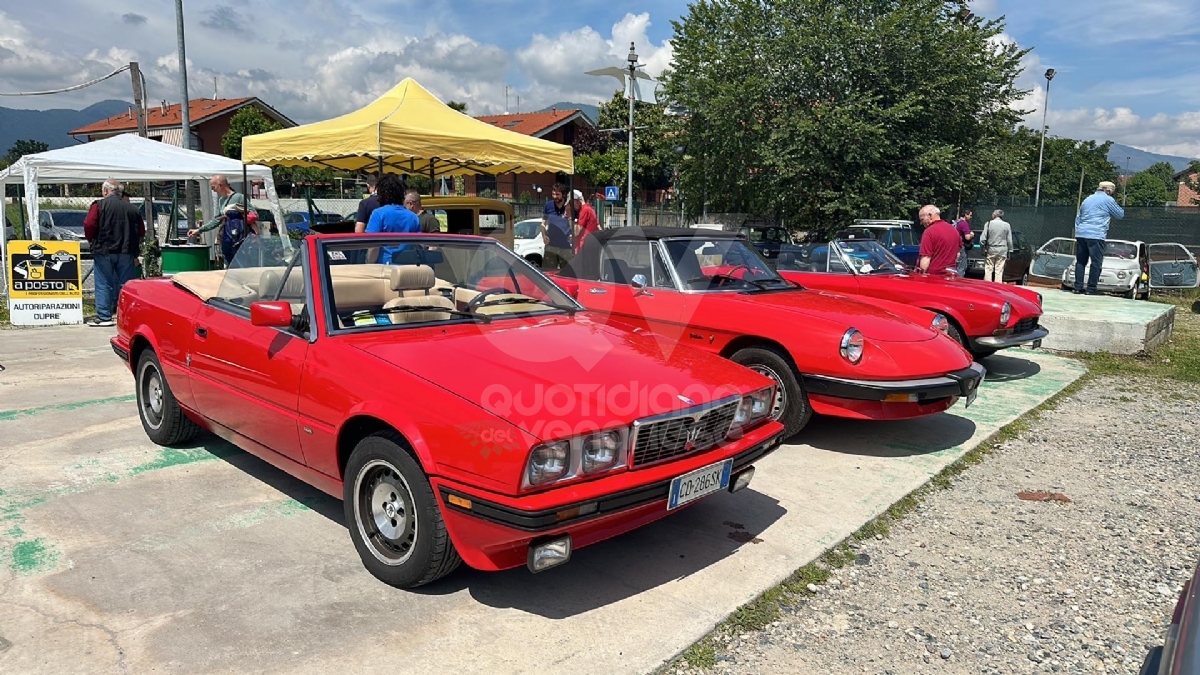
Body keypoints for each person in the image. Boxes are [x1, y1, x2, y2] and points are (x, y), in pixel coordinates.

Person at [84, 179, 144, 327]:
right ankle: (127, 316)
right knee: (127, 285)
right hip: (126, 251)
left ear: (105, 191)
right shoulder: (132, 209)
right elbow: (141, 230)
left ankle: (104, 317)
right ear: (120, 192)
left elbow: (89, 224)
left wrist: (92, 239)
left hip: (104, 250)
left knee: (104, 282)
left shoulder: (98, 205)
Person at [1073, 181, 1124, 295]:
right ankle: (1091, 288)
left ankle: (1078, 287)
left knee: (1081, 261)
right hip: (1096, 234)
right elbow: (1120, 214)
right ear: (1109, 190)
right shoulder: (1108, 200)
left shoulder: (1087, 199)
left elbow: (1078, 217)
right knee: (1096, 263)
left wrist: (1078, 231)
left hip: (1081, 233)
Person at [365, 174, 420, 263]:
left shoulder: (378, 214)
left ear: (381, 194)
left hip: (385, 269)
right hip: (408, 268)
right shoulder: (413, 217)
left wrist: (369, 264)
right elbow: (417, 246)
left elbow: (373, 247)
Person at [186, 175, 245, 240]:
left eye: (213, 187)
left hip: (240, 236)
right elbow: (216, 220)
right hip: (228, 237)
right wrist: (199, 230)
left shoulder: (240, 197)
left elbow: (253, 214)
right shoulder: (221, 200)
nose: (213, 190)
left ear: (220, 185)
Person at [917, 205, 960, 275]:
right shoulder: (954, 230)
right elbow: (957, 255)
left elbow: (926, 258)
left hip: (933, 278)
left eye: (922, 219)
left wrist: (921, 275)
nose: (921, 223)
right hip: (951, 276)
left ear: (930, 216)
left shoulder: (929, 232)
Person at [540, 182, 573, 269]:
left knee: (567, 273)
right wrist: (543, 235)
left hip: (566, 246)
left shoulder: (569, 206)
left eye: (557, 194)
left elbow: (574, 225)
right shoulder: (548, 205)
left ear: (563, 194)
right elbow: (543, 224)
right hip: (551, 245)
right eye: (553, 194)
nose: (555, 197)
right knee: (548, 272)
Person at [979, 209, 1013, 283]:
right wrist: (1010, 250)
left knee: (988, 269)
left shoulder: (988, 224)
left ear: (994, 215)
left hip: (990, 249)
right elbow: (1009, 240)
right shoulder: (1007, 225)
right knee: (999, 270)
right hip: (1002, 250)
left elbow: (982, 239)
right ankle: (997, 286)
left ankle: (988, 286)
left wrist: (982, 247)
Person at [572, 189, 599, 255]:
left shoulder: (584, 210)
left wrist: (571, 217)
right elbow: (598, 227)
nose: (572, 205)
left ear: (577, 201)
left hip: (583, 248)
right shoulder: (590, 209)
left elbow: (576, 232)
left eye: (572, 202)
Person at [953, 209, 974, 275]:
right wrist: (972, 235)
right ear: (966, 215)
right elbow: (967, 237)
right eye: (970, 215)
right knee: (962, 266)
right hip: (962, 246)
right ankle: (959, 281)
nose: (971, 217)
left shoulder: (957, 222)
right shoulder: (964, 224)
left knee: (956, 265)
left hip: (955, 245)